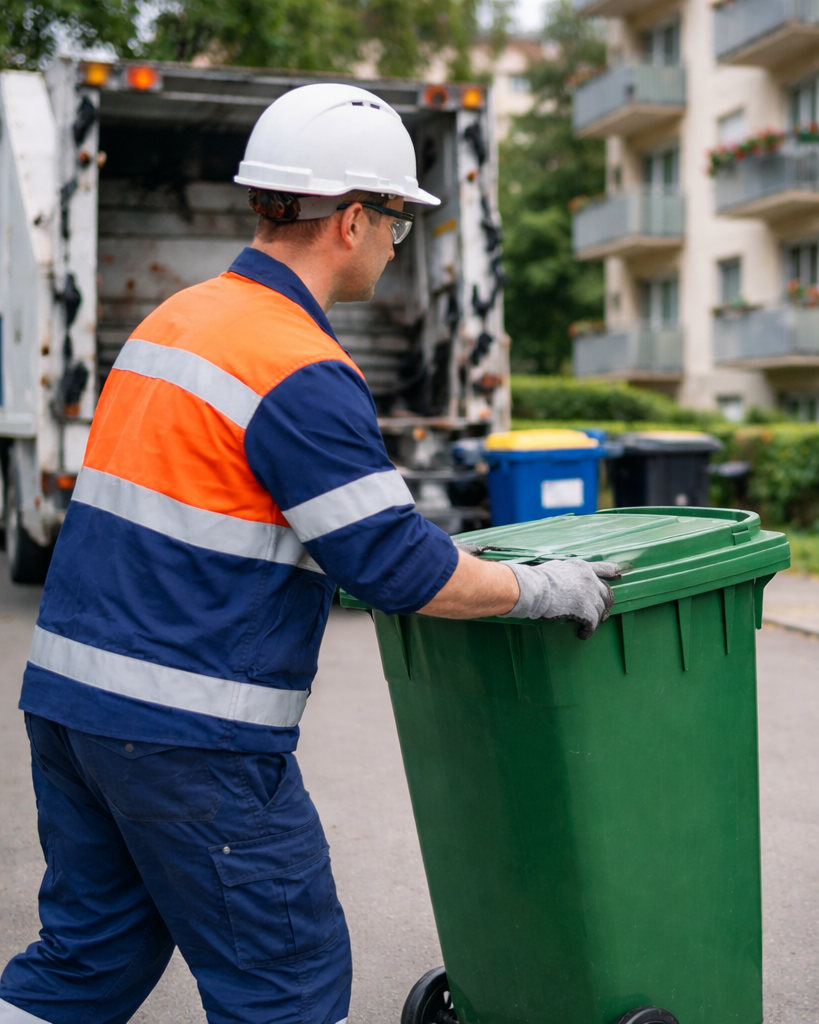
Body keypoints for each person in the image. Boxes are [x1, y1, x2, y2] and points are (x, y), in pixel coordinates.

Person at [0, 84, 616, 1024]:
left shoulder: (171, 322)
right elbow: (397, 569)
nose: (394, 244)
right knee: (285, 984)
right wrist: (544, 589)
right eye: (398, 224)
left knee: (86, 962)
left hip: (72, 708)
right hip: (189, 737)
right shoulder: (297, 365)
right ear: (354, 219)